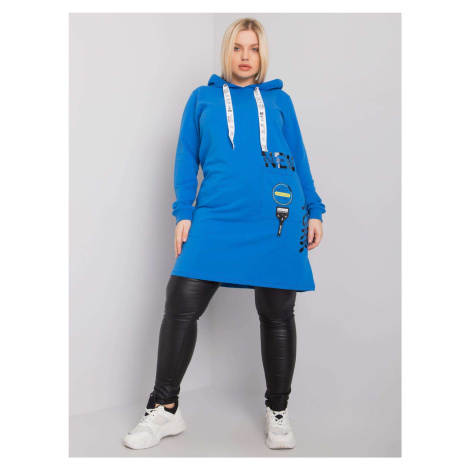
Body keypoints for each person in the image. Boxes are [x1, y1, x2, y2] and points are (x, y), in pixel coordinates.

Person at [123, 17, 326, 451]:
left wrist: (314, 209)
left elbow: (299, 156)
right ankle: (165, 408)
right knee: (181, 300)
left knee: (277, 312)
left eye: (253, 48)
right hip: (216, 216)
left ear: (262, 54)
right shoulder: (203, 98)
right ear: (227, 52)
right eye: (237, 47)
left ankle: (277, 411)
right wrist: (184, 212)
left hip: (277, 218)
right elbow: (186, 157)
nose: (245, 57)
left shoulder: (280, 101)